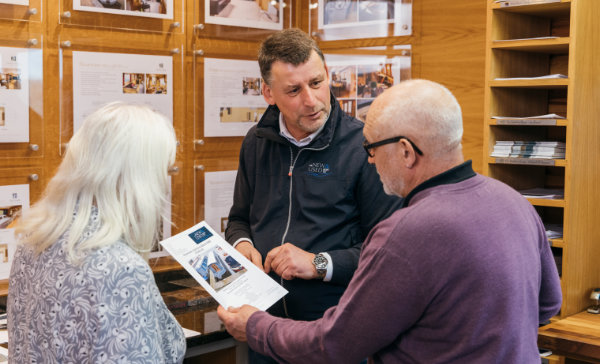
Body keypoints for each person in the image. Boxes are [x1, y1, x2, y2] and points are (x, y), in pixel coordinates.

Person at [218, 79, 563, 363]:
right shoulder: (515, 202)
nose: (369, 161)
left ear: (406, 151)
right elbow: (548, 305)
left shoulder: (405, 231)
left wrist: (256, 326)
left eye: (371, 149)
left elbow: (337, 343)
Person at [225, 28, 402, 363]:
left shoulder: (364, 146)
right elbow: (239, 220)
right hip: (263, 327)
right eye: (293, 90)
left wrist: (318, 263)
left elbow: (388, 253)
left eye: (317, 83)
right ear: (268, 93)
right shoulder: (256, 142)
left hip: (332, 333)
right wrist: (242, 246)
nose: (311, 100)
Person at [7, 102, 186, 363]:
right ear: (138, 178)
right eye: (164, 172)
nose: (164, 186)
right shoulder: (121, 269)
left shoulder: (34, 240)